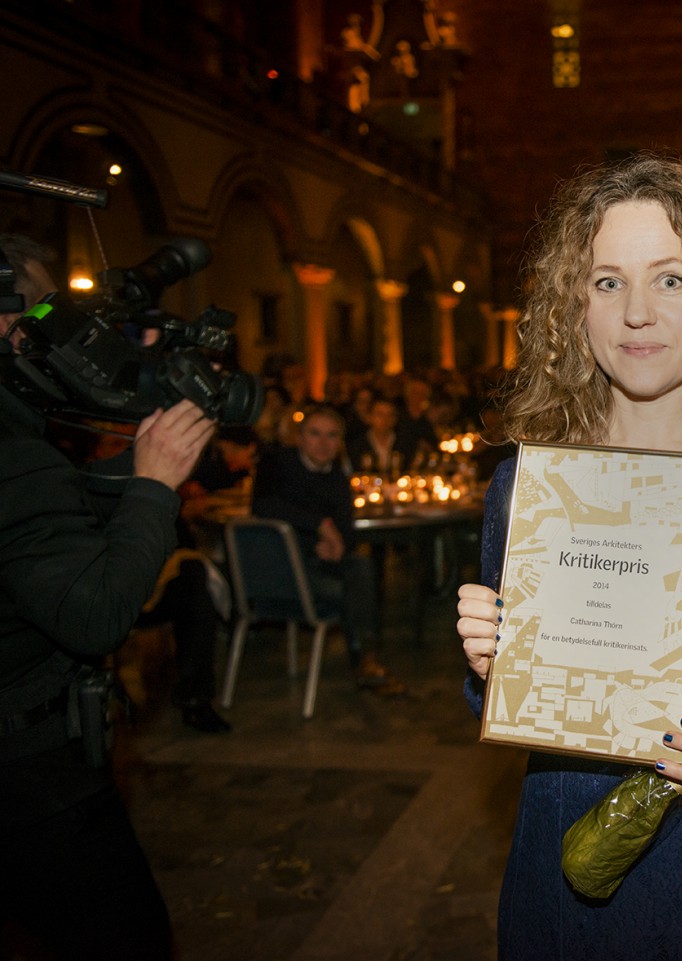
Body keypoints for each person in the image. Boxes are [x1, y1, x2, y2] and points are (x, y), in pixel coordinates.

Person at [455, 154, 682, 960]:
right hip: (556, 871)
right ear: (573, 306)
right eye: (608, 281)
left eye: (670, 279)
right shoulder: (530, 486)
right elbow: (503, 700)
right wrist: (489, 663)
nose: (637, 314)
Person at [1, 233, 216, 958]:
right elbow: (94, 614)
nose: (58, 329)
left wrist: (138, 464)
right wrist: (155, 485)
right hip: (32, 777)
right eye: (43, 309)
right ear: (6, 320)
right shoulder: (12, 452)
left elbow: (48, 528)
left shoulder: (24, 443)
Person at [250, 405, 404, 696]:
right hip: (279, 572)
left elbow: (346, 530)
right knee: (354, 585)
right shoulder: (277, 464)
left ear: (340, 442)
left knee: (360, 569)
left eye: (332, 435)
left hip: (319, 566)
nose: (323, 443)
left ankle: (366, 657)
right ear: (300, 437)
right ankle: (365, 661)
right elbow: (262, 506)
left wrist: (337, 545)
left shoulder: (337, 478)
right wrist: (320, 525)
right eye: (315, 434)